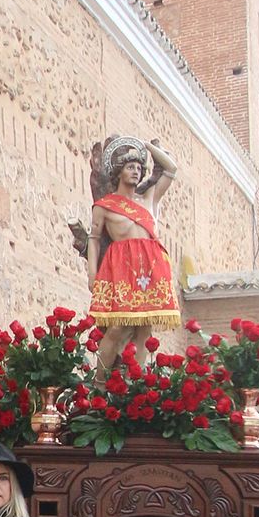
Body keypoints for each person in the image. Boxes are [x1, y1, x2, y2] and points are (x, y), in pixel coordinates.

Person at [86, 134, 180, 375]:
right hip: (121, 268)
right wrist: (92, 273)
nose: (136, 172)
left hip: (151, 268)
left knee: (144, 329)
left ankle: (136, 383)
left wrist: (145, 146)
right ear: (119, 172)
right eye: (130, 167)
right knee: (116, 327)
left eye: (139, 167)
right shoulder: (104, 206)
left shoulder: (149, 199)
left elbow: (171, 168)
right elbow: (94, 240)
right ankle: (99, 383)